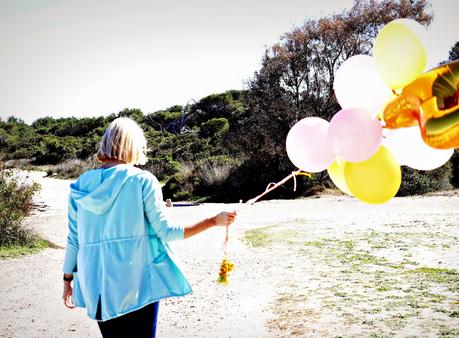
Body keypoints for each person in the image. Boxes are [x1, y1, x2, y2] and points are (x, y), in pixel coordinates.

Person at [62, 117, 237, 338]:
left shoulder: (79, 185)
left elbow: (74, 239)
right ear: (133, 146)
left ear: (105, 143)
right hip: (136, 284)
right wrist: (212, 221)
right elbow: (167, 232)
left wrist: (68, 278)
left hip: (94, 285)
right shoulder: (143, 181)